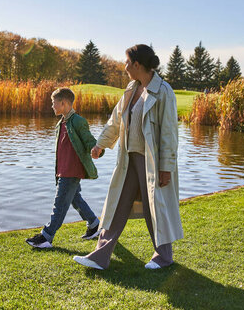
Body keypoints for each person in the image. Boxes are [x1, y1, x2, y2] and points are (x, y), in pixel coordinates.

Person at [73, 44, 183, 270]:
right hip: (128, 159)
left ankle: (163, 257)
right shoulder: (131, 89)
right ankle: (99, 257)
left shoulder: (163, 91)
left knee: (156, 208)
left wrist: (166, 168)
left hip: (151, 162)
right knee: (116, 206)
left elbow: (169, 133)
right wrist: (100, 145)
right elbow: (115, 121)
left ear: (138, 64)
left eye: (127, 63)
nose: (124, 67)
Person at [26, 87, 103, 248]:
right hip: (62, 170)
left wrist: (97, 150)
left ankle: (47, 236)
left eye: (54, 103)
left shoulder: (78, 121)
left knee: (60, 203)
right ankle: (94, 224)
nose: (52, 106)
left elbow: (89, 141)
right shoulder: (61, 123)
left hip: (72, 170)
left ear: (63, 103)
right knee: (76, 200)